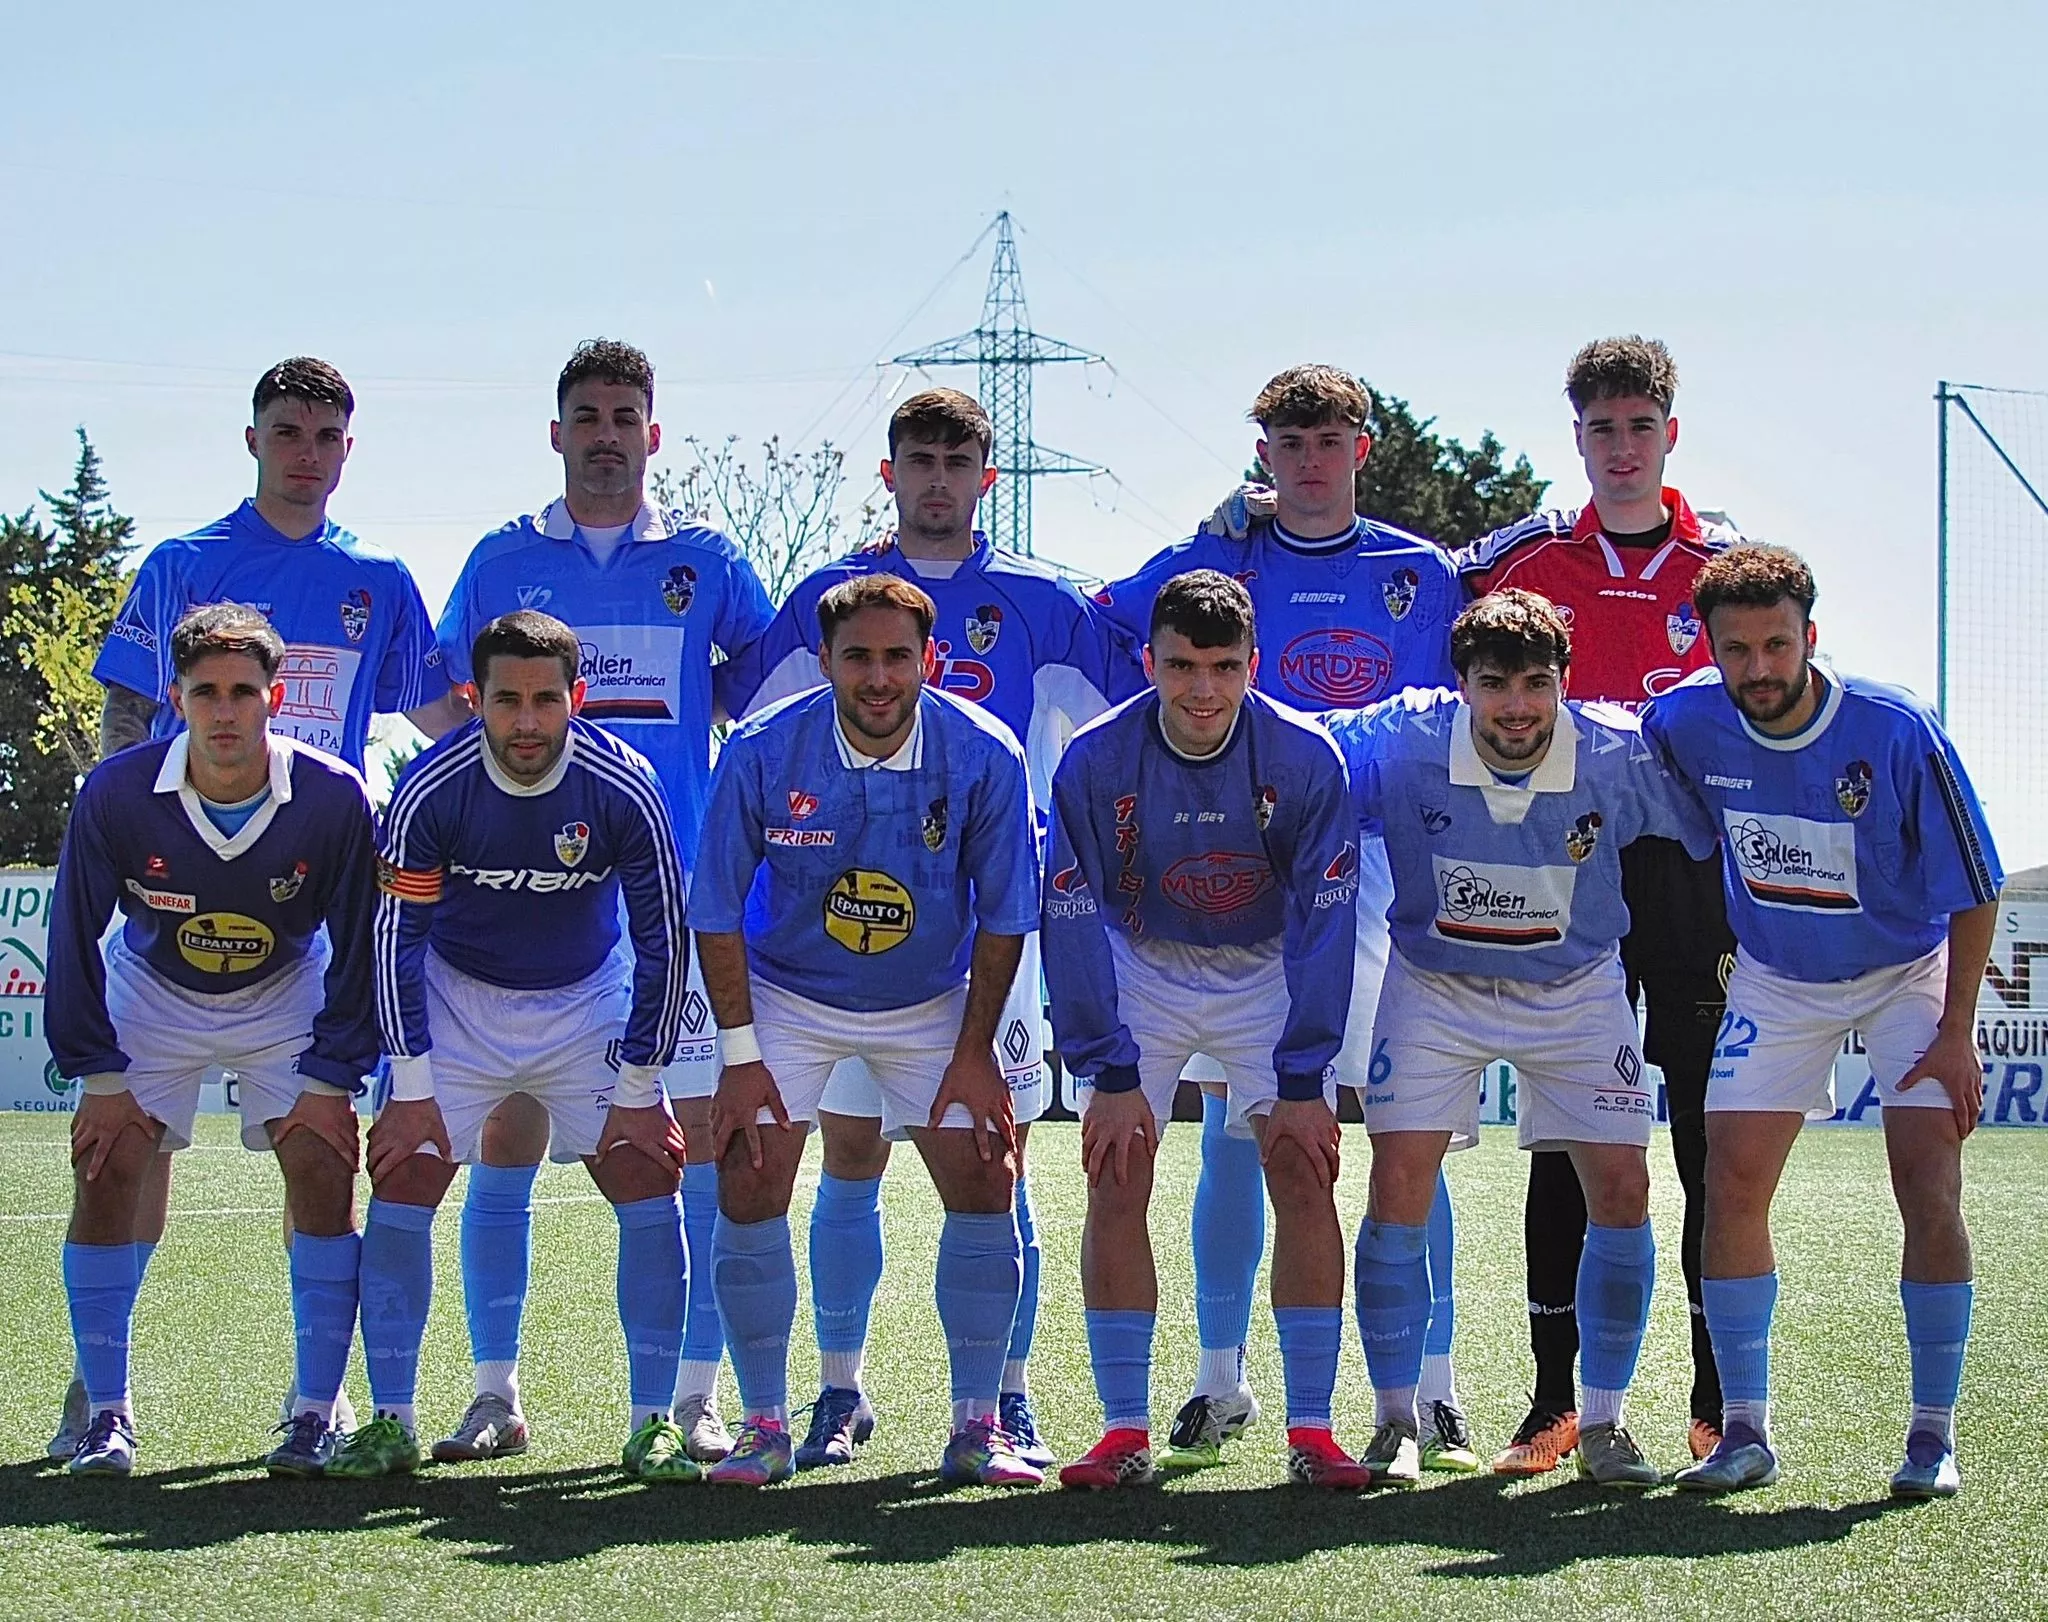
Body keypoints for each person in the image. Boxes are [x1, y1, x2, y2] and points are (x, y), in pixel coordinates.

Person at [54, 357, 457, 1458]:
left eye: (325, 435)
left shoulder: (377, 575)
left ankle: (312, 1396)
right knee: (129, 1154)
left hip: (311, 903)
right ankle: (99, 1388)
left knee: (317, 1149)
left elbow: (437, 723)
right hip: (177, 897)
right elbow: (126, 713)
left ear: (346, 450)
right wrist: (140, 825)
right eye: (287, 431)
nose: (305, 451)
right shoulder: (184, 562)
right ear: (252, 439)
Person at [715, 386, 1124, 1470]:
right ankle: (835, 1392)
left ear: (985, 475)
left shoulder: (1044, 600)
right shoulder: (823, 598)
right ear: (889, 470)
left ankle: (1003, 1399)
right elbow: (747, 725)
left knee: (993, 1156)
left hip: (981, 933)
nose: (935, 477)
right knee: (843, 1150)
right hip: (821, 937)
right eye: (917, 458)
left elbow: (1116, 726)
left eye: (956, 459)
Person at [1097, 365, 1472, 1471]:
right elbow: (1109, 615)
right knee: (1231, 1129)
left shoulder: (1419, 571)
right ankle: (1222, 1381)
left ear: (1362, 444)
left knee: (1408, 1143)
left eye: (1327, 436)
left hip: (1382, 874)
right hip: (1241, 871)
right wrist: (1189, 540)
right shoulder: (1225, 557)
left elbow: (1476, 693)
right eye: (1286, 437)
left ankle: (1428, 1391)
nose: (1306, 456)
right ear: (1260, 448)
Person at [427, 339, 774, 1465]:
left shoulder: (708, 560)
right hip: (537, 899)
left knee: (695, 1148)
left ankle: (689, 1401)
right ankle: (493, 1392)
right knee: (506, 1138)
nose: (607, 433)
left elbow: (759, 682)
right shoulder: (499, 557)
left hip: (669, 897)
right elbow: (446, 699)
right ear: (557, 431)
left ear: (652, 433)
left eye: (626, 414)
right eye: (587, 414)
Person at [1327, 590, 1717, 1486]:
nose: (1515, 706)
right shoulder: (1401, 738)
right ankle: (1396, 1420)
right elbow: (1295, 756)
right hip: (1437, 986)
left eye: (1536, 684)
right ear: (1458, 685)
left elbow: (1719, 801)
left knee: (1623, 1189)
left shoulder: (1617, 752)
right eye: (1493, 683)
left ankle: (1607, 1421)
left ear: (1565, 686)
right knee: (1397, 1186)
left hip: (1576, 989)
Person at [1644, 545, 2002, 1499]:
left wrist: (1956, 1030)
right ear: (1708, 649)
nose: (1757, 669)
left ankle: (1933, 1434)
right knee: (1731, 1184)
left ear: (1811, 634)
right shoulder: (1681, 722)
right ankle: (1745, 1432)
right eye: (1736, 651)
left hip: (1903, 973)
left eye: (1775, 644)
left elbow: (1976, 889)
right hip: (1776, 979)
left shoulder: (1894, 727)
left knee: (1926, 1182)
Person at [1457, 335, 1742, 1472]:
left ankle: (1718, 1395)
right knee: (1567, 1132)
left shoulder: (1721, 564)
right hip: (1560, 867)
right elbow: (1392, 589)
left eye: (1639, 426)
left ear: (1669, 433)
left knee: (1704, 1139)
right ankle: (1550, 1399)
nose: (1620, 448)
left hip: (1689, 881)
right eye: (1599, 428)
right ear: (1574, 438)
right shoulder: (1518, 560)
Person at [688, 574, 1042, 1488]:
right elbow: (717, 909)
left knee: (984, 1171)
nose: (878, 678)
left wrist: (971, 1057)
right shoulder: (766, 749)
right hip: (790, 992)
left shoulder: (984, 753)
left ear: (930, 660)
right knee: (751, 1168)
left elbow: (1005, 915)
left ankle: (977, 1426)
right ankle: (765, 1424)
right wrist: (739, 1059)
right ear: (825, 663)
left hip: (932, 999)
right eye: (858, 658)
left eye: (896, 657)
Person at [334, 610, 696, 1482]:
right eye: (506, 702)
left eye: (544, 700)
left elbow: (665, 939)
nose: (526, 722)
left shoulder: (625, 786)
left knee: (646, 1173)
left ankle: (654, 1422)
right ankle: (391, 1419)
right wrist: (412, 1083)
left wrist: (643, 1085)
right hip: (460, 1001)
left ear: (577, 698)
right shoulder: (432, 787)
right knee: (408, 1169)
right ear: (477, 699)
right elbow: (396, 940)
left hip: (583, 1003)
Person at [1045, 570, 1365, 1491]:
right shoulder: (1096, 760)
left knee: (1303, 1170)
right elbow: (1071, 914)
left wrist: (1304, 1081)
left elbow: (1324, 921)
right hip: (1141, 961)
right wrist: (1106, 1069)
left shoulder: (1306, 759)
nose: (1200, 690)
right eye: (1180, 665)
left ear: (1253, 666)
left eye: (1223, 667)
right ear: (1148, 661)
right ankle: (1121, 1429)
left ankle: (1312, 1429)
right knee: (1115, 1171)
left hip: (1266, 965)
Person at [46, 603, 380, 1476]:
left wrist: (333, 1073)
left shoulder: (335, 795)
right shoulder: (115, 793)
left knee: (321, 1161)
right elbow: (73, 937)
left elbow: (359, 944)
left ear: (276, 698)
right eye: (206, 693)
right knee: (109, 1162)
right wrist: (98, 1075)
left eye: (243, 692)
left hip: (284, 991)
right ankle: (104, 1411)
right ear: (175, 697)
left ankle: (316, 1408)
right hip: (153, 991)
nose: (224, 712)